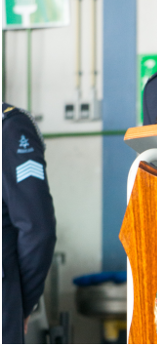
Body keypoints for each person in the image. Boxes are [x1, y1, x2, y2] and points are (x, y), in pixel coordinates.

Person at [2, 104, 57, 344]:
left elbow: (36, 229)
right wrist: (23, 303)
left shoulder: (9, 127)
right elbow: (38, 230)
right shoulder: (9, 125)